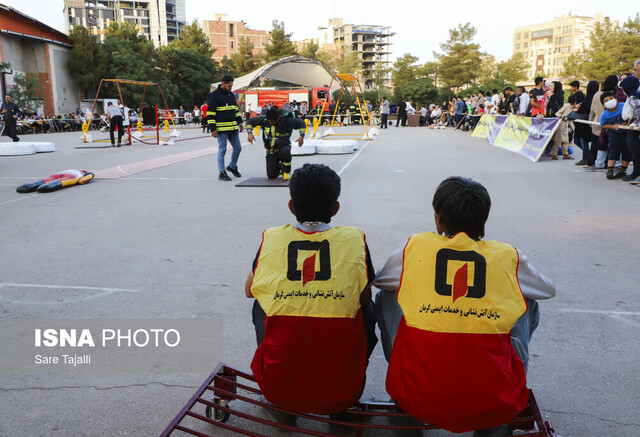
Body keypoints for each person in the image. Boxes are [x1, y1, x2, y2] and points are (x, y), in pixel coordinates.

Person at [374, 176, 555, 436]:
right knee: (526, 300)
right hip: (493, 400)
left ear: (438, 219)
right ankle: (504, 391)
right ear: (483, 221)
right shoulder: (506, 255)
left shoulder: (414, 247)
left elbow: (380, 279)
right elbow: (548, 290)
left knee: (389, 295)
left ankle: (406, 389)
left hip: (417, 397)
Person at [246, 163, 377, 420]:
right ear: (336, 208)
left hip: (278, 390)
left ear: (291, 206)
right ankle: (342, 405)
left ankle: (283, 400)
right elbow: (364, 298)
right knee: (367, 307)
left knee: (262, 302)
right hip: (343, 391)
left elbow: (249, 290)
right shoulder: (354, 239)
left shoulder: (272, 238)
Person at [246, 105, 305, 180]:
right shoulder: (265, 120)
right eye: (269, 121)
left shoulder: (287, 120)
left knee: (285, 152)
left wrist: (301, 136)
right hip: (271, 148)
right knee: (271, 176)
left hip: (284, 144)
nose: (271, 122)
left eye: (273, 121)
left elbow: (301, 123)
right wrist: (250, 133)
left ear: (278, 117)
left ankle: (286, 171)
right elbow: (250, 121)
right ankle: (279, 167)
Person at [207, 75, 244, 181]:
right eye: (229, 86)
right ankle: (222, 172)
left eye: (231, 86)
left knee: (238, 148)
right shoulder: (213, 96)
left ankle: (232, 166)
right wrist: (212, 129)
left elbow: (235, 110)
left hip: (233, 129)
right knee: (222, 150)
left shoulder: (231, 95)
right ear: (223, 83)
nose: (230, 88)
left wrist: (240, 122)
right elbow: (210, 114)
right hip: (221, 129)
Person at [600, 91, 630, 180]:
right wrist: (612, 126)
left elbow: (631, 115)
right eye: (606, 100)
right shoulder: (604, 114)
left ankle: (623, 171)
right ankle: (610, 170)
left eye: (611, 99)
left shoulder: (623, 106)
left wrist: (628, 124)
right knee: (613, 150)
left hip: (627, 133)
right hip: (614, 133)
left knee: (626, 150)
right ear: (603, 105)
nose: (609, 101)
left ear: (616, 99)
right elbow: (603, 125)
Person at [620, 76, 640, 184]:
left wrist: (636, 123)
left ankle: (636, 173)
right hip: (633, 125)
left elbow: (639, 113)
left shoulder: (633, 97)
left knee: (635, 152)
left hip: (635, 130)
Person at [547, 81, 574, 160]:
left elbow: (552, 108)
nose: (550, 87)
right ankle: (560, 154)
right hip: (560, 119)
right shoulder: (559, 95)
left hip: (557, 119)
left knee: (560, 137)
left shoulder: (555, 96)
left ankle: (560, 154)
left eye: (552, 86)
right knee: (562, 137)